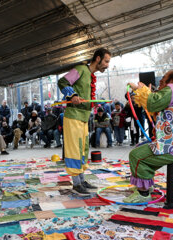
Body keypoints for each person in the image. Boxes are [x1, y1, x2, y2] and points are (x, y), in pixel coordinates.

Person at [124, 70, 173, 203]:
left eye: (164, 79)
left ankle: (143, 193)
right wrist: (144, 93)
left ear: (172, 79)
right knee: (141, 147)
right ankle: (146, 185)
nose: (160, 82)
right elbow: (155, 107)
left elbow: (152, 103)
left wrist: (139, 89)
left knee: (136, 156)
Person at [58, 47, 111, 195]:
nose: (107, 65)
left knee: (82, 149)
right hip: (73, 116)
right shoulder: (81, 69)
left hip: (84, 117)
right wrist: (72, 95)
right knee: (74, 149)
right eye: (106, 61)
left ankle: (81, 180)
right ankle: (76, 184)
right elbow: (63, 81)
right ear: (98, 59)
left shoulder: (91, 75)